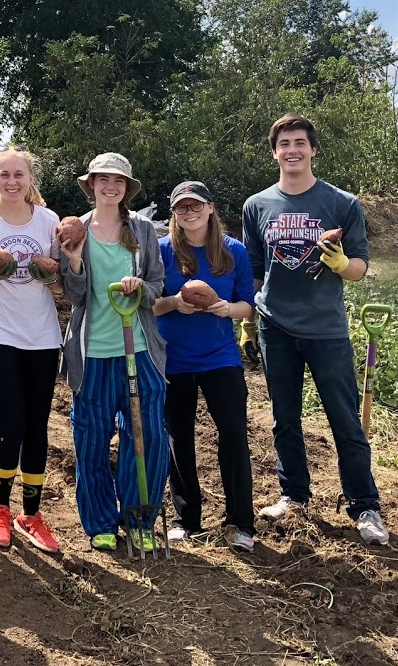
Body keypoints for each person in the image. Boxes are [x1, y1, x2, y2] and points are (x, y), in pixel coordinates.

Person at [241, 113, 389, 546]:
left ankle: (365, 506)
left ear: (313, 150)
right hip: (275, 326)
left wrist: (343, 264)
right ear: (274, 152)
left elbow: (360, 266)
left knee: (345, 421)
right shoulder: (257, 206)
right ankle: (294, 496)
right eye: (284, 143)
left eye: (300, 142)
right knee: (284, 419)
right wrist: (248, 323)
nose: (292, 150)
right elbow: (252, 272)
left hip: (326, 331)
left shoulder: (342, 203)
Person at [59, 152, 169, 553]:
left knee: (148, 437)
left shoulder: (141, 229)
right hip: (93, 355)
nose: (110, 186)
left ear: (127, 188)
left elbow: (158, 284)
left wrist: (139, 287)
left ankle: (140, 518)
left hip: (141, 350)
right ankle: (101, 521)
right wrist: (73, 262)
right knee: (91, 440)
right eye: (102, 180)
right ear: (91, 185)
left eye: (118, 181)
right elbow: (74, 296)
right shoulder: (76, 231)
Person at [0, 146, 64, 554]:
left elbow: (60, 287)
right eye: (4, 175)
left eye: (18, 175)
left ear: (30, 179)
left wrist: (48, 274)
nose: (11, 182)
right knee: (14, 419)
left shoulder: (50, 221)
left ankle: (32, 514)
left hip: (42, 332)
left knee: (38, 422)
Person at [153, 180, 256, 552]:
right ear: (174, 214)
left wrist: (229, 309)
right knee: (179, 437)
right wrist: (173, 303)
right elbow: (149, 303)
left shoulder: (234, 252)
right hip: (172, 356)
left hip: (220, 356)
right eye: (181, 207)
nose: (189, 212)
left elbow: (248, 303)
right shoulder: (161, 250)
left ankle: (241, 522)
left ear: (210, 208)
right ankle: (186, 518)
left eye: (196, 205)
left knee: (232, 433)